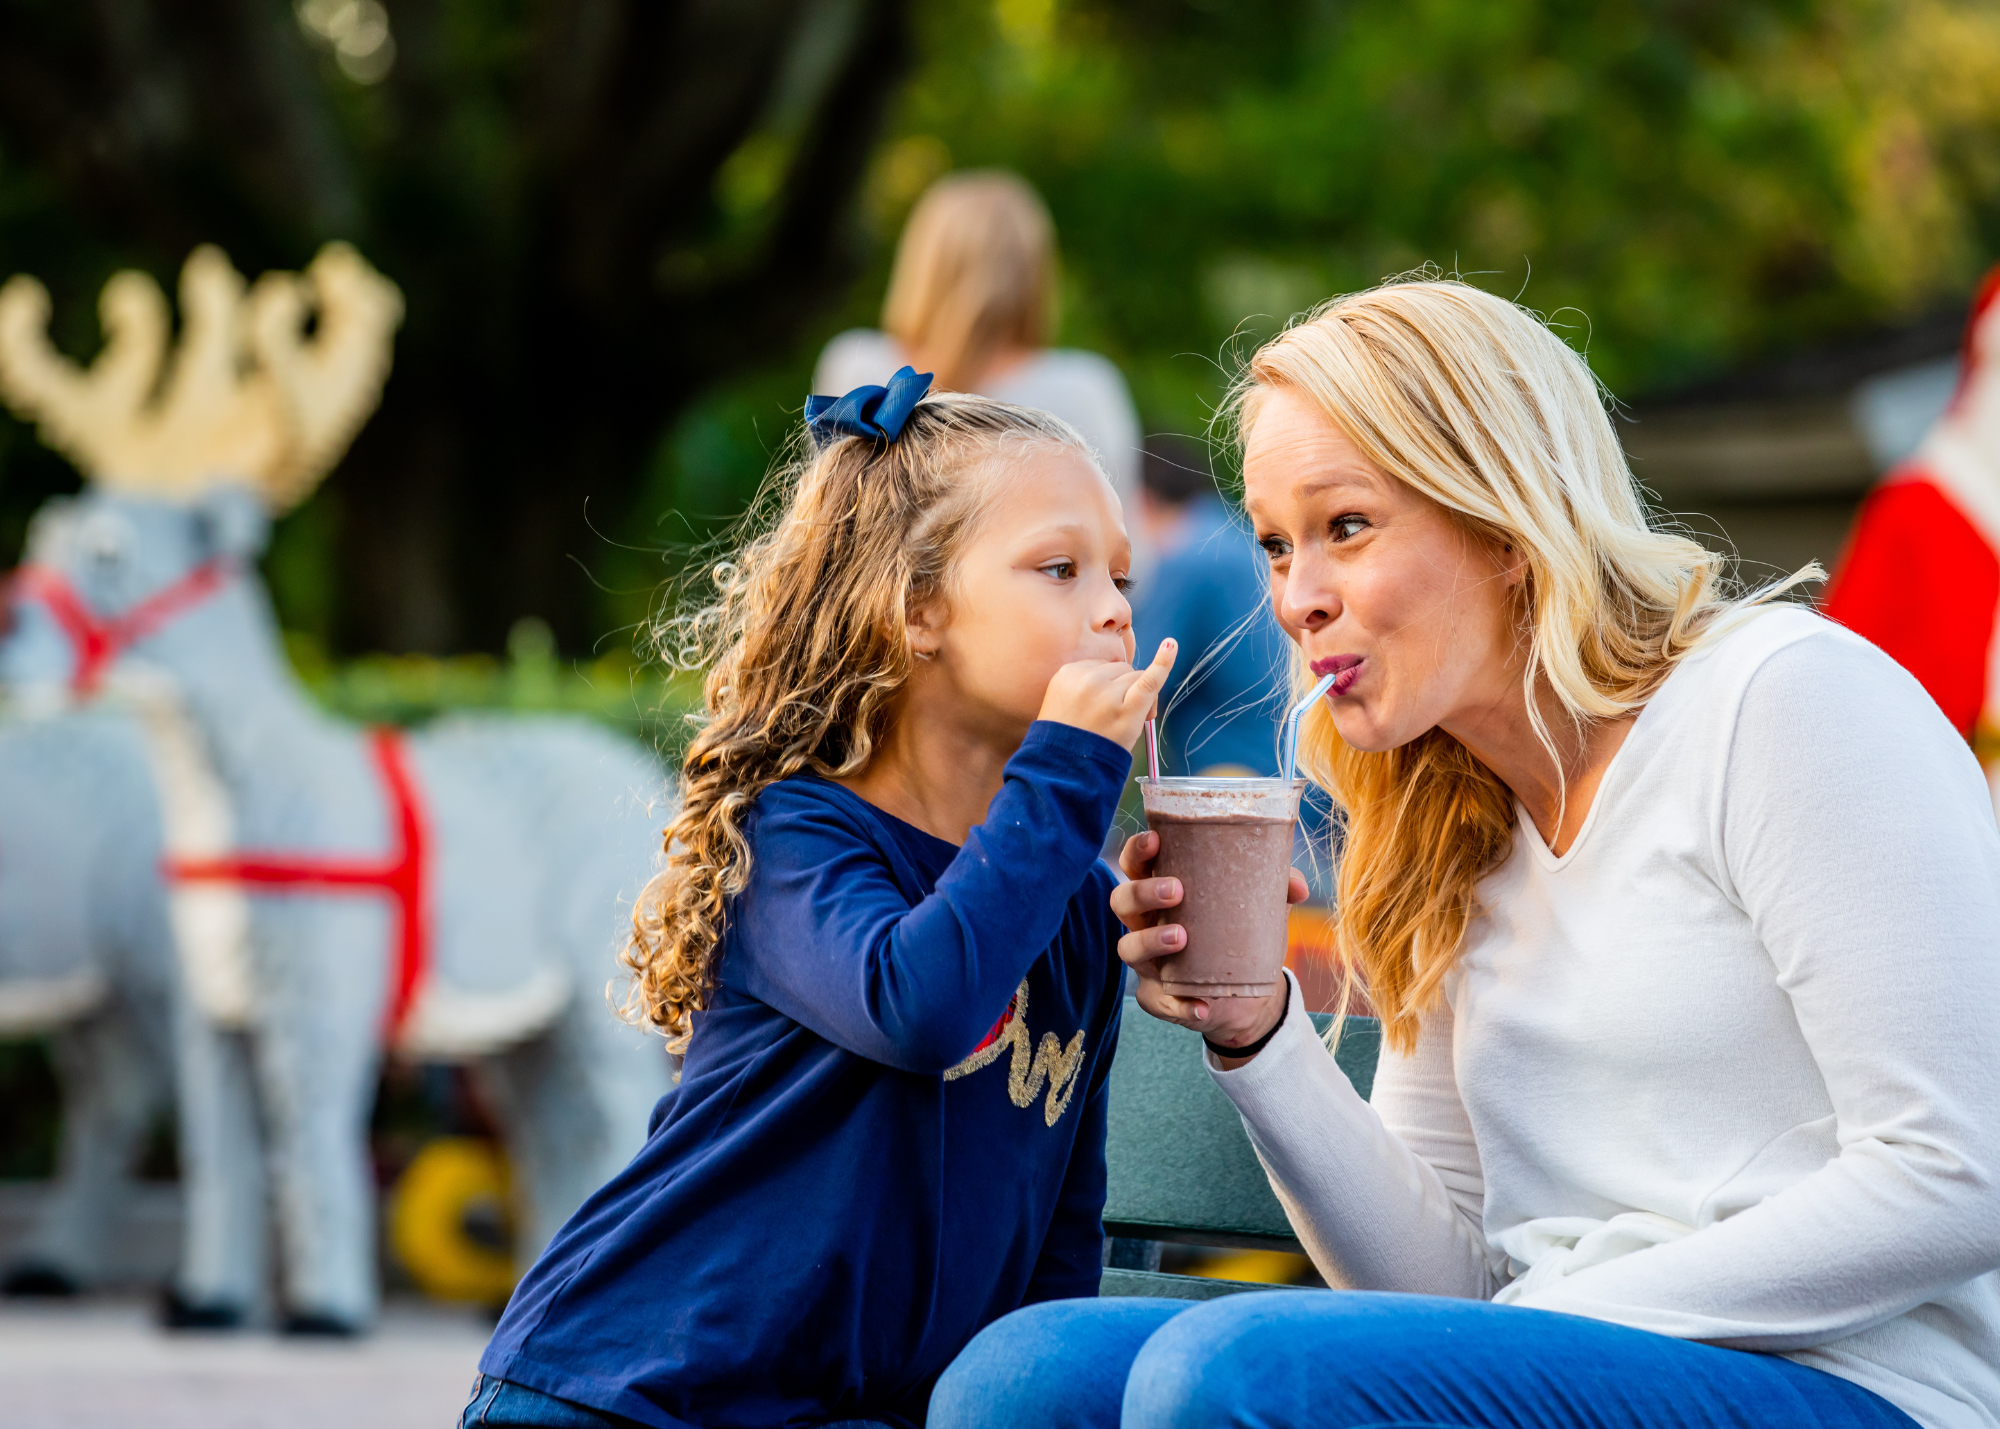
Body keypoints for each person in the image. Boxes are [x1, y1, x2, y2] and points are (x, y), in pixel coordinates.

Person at [931, 280, 2000, 1429]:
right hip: (1563, 1361)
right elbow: (1429, 1290)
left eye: (1344, 527)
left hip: (1857, 1388)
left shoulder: (1780, 701)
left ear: (1499, 521)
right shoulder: (1447, 818)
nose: (1295, 597)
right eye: (1277, 545)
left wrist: (1553, 1320)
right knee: (1027, 1377)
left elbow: (1959, 1172)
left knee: (1236, 1376)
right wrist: (1254, 1028)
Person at [465, 370, 1175, 1429]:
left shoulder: (1070, 900)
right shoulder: (793, 836)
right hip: (627, 1396)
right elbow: (918, 1006)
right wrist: (1070, 768)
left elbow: (1055, 1237)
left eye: (1119, 574)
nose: (1113, 609)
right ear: (917, 609)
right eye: (1059, 569)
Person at [814, 170, 1148, 581]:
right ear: (1035, 275)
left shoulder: (860, 369)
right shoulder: (1083, 389)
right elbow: (1131, 559)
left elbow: (828, 533)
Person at [1129, 435, 1290, 777]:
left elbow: (1132, 687)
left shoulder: (1188, 558)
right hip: (1293, 772)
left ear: (1141, 502)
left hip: (1240, 781)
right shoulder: (1231, 531)